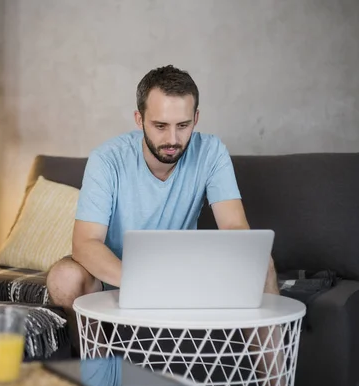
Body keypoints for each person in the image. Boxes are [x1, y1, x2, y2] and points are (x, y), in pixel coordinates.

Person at [46, 64, 279, 312]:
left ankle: (271, 353)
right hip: (114, 276)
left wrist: (238, 266)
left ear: (196, 119)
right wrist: (144, 284)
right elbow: (85, 244)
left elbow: (234, 227)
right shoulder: (106, 159)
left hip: (182, 272)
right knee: (64, 277)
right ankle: (97, 352)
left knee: (261, 263)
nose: (172, 140)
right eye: (160, 126)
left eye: (183, 125)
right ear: (139, 119)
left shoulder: (211, 152)